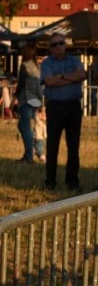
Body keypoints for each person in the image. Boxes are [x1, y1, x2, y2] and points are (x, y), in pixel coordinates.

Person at [40, 34, 86, 192]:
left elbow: (82, 75)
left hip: (73, 107)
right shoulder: (46, 63)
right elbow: (49, 81)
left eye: (61, 43)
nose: (58, 47)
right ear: (50, 48)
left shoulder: (74, 60)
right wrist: (71, 78)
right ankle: (50, 181)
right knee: (52, 146)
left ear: (65, 44)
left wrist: (61, 77)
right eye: (54, 45)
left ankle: (72, 181)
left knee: (73, 146)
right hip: (55, 108)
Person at [14, 44, 42, 162]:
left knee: (25, 127)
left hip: (26, 99)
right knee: (22, 125)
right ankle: (30, 151)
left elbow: (21, 83)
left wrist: (15, 97)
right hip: (35, 100)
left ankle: (29, 155)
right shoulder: (37, 66)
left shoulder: (24, 66)